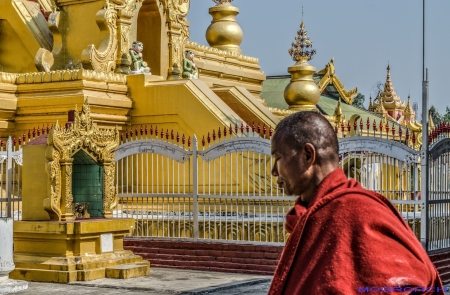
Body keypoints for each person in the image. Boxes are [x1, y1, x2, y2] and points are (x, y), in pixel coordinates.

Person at [268, 111, 444, 295]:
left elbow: (413, 285)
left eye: (278, 157)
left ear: (307, 155)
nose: (273, 170)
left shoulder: (357, 212)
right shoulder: (312, 215)